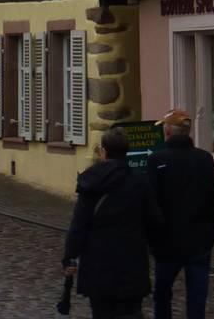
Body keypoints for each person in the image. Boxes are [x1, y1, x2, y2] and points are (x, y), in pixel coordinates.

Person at [63, 126, 162, 318]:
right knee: (131, 312)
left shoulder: (91, 180)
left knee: (102, 312)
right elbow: (154, 221)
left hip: (97, 262)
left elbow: (79, 224)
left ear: (104, 151)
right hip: (131, 262)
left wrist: (70, 256)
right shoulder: (139, 181)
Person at [148, 108, 214, 319]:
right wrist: (209, 237)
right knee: (197, 298)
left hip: (166, 242)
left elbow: (152, 203)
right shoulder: (204, 158)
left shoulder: (157, 159)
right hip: (199, 241)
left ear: (167, 131)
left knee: (162, 295)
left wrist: (153, 239)